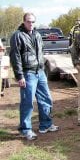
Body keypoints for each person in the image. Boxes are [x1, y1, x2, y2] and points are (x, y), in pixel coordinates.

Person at [10, 12, 59, 140]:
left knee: (46, 99)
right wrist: (19, 76)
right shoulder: (17, 36)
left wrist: (43, 68)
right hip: (28, 73)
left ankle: (46, 125)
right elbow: (15, 57)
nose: (31, 24)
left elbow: (41, 52)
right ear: (24, 22)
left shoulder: (37, 35)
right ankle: (26, 129)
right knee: (27, 103)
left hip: (40, 72)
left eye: (33, 22)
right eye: (28, 21)